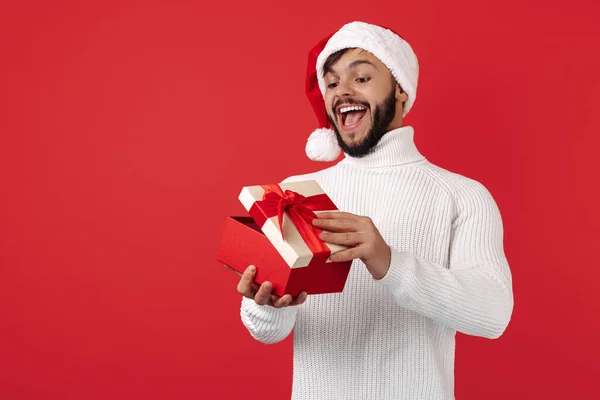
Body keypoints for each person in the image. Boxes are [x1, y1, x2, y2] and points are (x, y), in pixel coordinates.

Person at [236, 21, 514, 400]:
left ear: (401, 88)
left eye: (361, 77)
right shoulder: (294, 195)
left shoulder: (461, 195)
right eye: (331, 83)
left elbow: (493, 314)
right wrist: (267, 306)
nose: (342, 92)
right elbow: (268, 332)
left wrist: (389, 261)